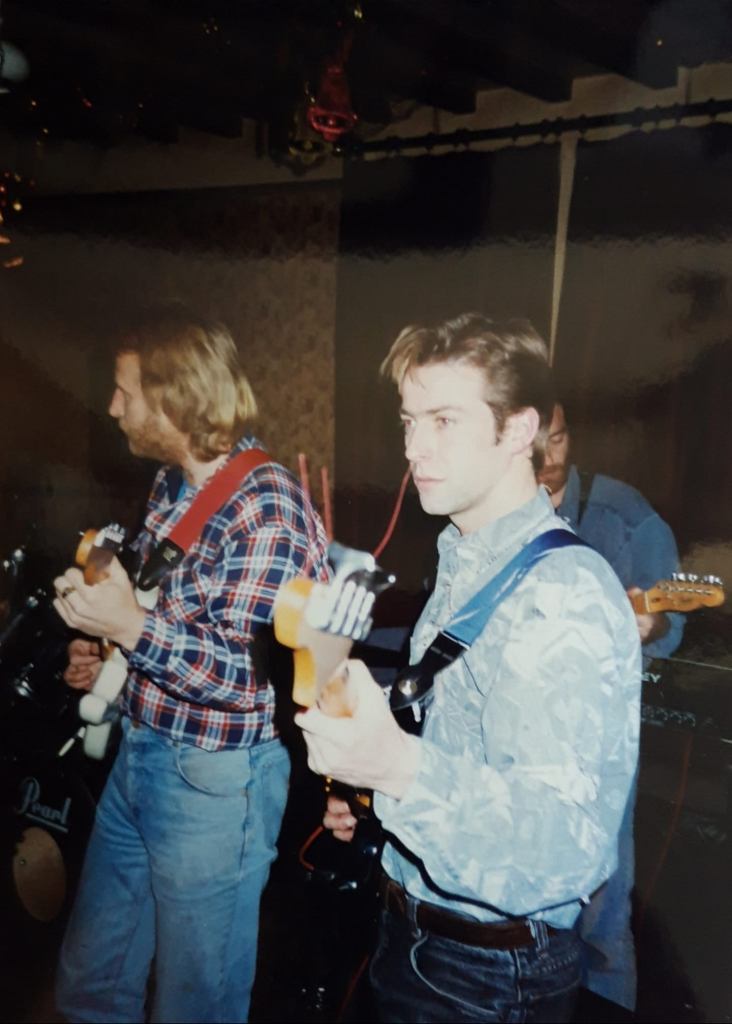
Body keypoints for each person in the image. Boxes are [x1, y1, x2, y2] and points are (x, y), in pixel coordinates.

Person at [296, 313, 641, 1023]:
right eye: (408, 421)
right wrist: (374, 794)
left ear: (519, 430)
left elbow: (562, 851)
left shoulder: (559, 592)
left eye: (444, 421)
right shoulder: (468, 557)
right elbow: (463, 746)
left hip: (486, 974)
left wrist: (397, 769)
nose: (413, 447)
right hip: (417, 932)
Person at [52, 306, 329, 1023]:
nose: (112, 408)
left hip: (214, 783)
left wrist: (130, 627)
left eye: (125, 391)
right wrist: (107, 649)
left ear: (172, 399)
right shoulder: (174, 484)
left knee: (193, 1007)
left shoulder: (266, 508)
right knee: (91, 987)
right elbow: (168, 618)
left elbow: (250, 684)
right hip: (141, 753)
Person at [538, 401, 684, 1013]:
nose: (549, 455)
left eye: (559, 437)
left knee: (602, 925)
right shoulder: (496, 513)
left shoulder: (622, 512)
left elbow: (672, 620)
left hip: (598, 748)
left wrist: (651, 623)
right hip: (523, 740)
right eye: (537, 440)